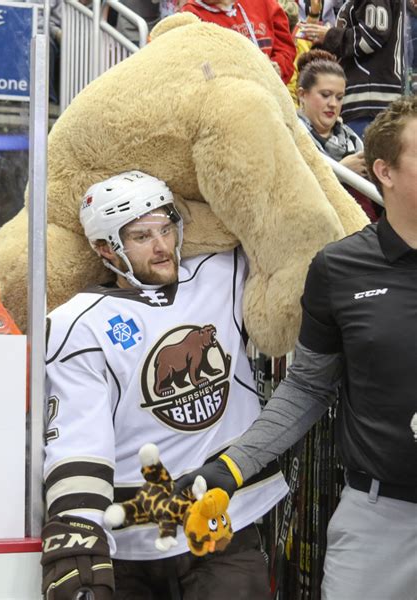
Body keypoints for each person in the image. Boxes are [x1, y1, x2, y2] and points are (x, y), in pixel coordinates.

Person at [175, 96, 417, 600]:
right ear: (384, 172)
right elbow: (308, 386)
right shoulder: (341, 269)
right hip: (379, 517)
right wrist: (234, 464)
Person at [41, 171, 288, 599]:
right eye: (141, 236)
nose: (162, 247)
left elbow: (272, 215)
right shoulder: (77, 324)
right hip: (134, 541)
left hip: (223, 522)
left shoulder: (219, 272)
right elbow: (78, 442)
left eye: (166, 228)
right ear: (106, 249)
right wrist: (77, 543)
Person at [295, 49, 382, 221]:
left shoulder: (353, 139)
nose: (333, 104)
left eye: (340, 97)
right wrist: (341, 172)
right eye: (325, 95)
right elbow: (291, 196)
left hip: (365, 230)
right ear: (302, 95)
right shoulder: (290, 137)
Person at [302, 0, 403, 138]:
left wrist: (330, 35)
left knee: (365, 157)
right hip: (370, 101)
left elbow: (370, 38)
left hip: (370, 102)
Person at [180, 0, 296, 84]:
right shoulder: (190, 15)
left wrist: (278, 68)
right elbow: (198, 68)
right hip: (229, 106)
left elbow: (286, 48)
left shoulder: (265, 3)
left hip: (273, 99)